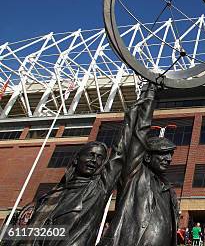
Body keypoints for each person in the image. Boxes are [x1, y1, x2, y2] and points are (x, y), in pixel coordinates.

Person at [15, 84, 146, 246]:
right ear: (77, 159)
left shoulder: (99, 188)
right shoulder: (49, 197)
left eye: (99, 158)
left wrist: (131, 116)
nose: (94, 160)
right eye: (90, 155)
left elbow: (119, 153)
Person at [100, 84, 180, 246]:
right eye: (162, 153)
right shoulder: (135, 174)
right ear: (147, 157)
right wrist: (149, 97)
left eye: (170, 154)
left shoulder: (167, 189)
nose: (168, 158)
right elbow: (139, 135)